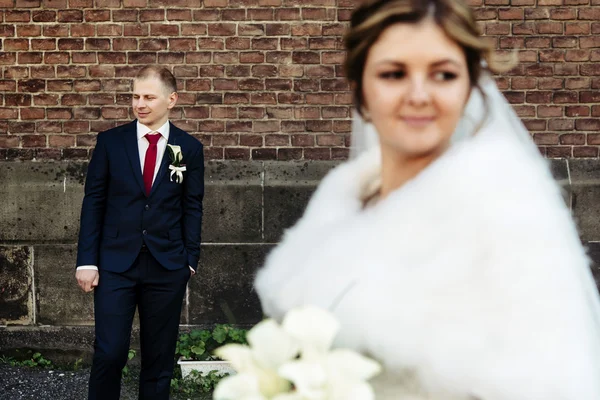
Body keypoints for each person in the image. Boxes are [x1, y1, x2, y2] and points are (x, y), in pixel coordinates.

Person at [254, 0, 600, 398]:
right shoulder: (341, 203)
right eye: (394, 73)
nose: (419, 95)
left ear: (469, 87)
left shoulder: (506, 214)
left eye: (443, 74)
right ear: (360, 87)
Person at [75, 66, 204, 400]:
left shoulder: (188, 148)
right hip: (115, 265)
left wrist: (189, 260)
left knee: (159, 360)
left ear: (171, 100)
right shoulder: (110, 143)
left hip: (167, 265)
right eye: (135, 96)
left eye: (149, 97)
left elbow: (192, 206)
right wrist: (87, 261)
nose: (140, 104)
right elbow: (94, 203)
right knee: (109, 352)